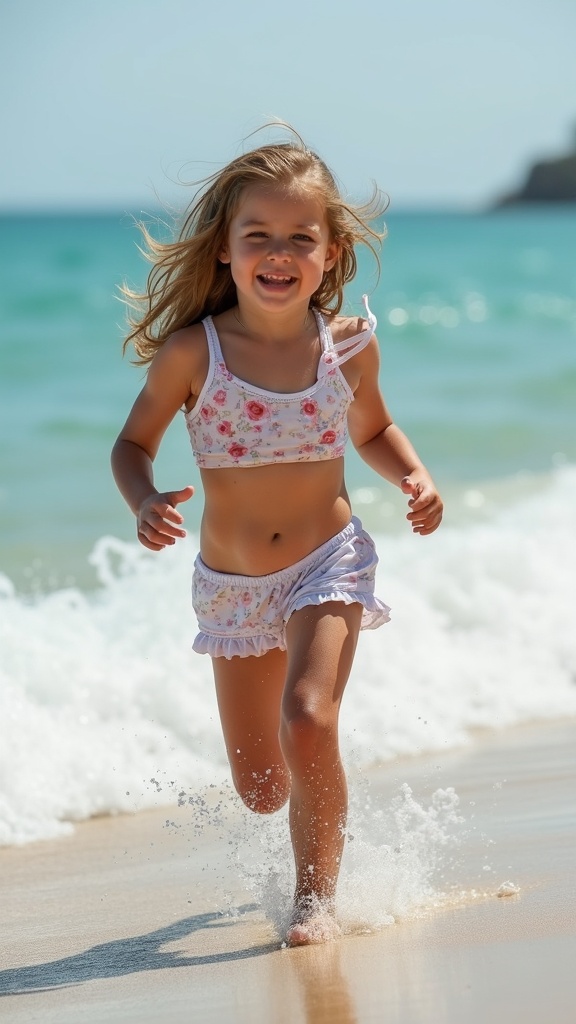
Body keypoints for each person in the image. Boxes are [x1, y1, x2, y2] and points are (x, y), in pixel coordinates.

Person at [111, 131, 443, 946]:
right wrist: (145, 498)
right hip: (231, 583)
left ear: (330, 255)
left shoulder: (348, 349)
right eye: (259, 235)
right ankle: (315, 820)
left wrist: (414, 474)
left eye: (302, 238)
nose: (280, 253)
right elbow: (131, 445)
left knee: (308, 718)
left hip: (327, 560)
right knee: (262, 786)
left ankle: (315, 900)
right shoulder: (196, 353)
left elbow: (375, 428)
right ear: (225, 251)